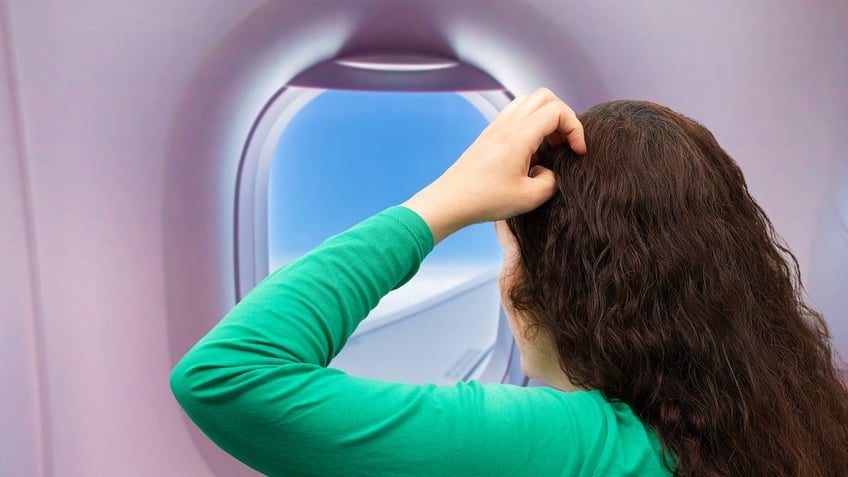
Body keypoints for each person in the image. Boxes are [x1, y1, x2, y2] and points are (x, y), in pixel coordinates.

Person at [170, 89, 848, 476]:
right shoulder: (804, 419)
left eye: (508, 250)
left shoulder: (574, 446)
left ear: (561, 286)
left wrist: (444, 201)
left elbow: (226, 376)